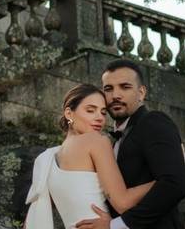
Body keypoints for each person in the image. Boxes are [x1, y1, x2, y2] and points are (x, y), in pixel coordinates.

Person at [75, 59, 185, 229]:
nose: (115, 95)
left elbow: (175, 184)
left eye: (125, 87)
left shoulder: (153, 122)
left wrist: (116, 225)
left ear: (141, 93)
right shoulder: (113, 142)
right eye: (108, 89)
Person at [24, 84, 154, 229]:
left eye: (103, 112)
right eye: (90, 110)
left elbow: (35, 216)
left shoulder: (45, 159)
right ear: (69, 113)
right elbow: (122, 203)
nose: (99, 118)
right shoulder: (96, 141)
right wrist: (164, 179)